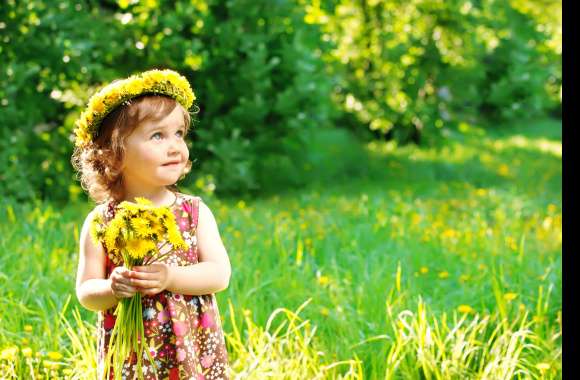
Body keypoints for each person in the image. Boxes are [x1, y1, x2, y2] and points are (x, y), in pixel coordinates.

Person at [71, 69, 231, 379]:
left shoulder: (193, 212)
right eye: (158, 135)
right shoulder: (102, 221)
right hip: (131, 352)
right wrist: (112, 288)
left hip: (190, 349)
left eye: (179, 134)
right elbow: (86, 291)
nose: (174, 146)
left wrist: (170, 276)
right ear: (114, 156)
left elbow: (219, 273)